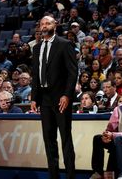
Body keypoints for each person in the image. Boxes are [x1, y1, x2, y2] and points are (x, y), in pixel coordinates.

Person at [30, 16, 78, 179]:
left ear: (55, 25)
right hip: (44, 99)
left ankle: (71, 176)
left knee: (65, 139)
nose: (44, 26)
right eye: (42, 23)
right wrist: (34, 97)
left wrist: (67, 95)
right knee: (49, 141)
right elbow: (35, 75)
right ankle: (54, 176)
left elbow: (73, 73)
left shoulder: (65, 44)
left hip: (61, 99)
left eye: (48, 23)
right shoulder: (36, 48)